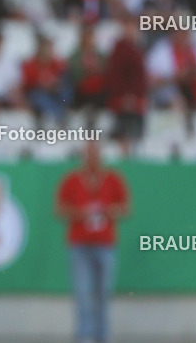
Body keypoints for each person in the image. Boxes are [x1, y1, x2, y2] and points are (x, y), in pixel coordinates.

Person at [56, 142, 130, 343]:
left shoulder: (113, 179)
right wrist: (80, 214)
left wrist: (110, 211)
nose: (92, 159)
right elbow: (60, 209)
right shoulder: (71, 180)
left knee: (103, 293)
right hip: (79, 243)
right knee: (83, 293)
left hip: (105, 243)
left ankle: (102, 335)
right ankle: (85, 335)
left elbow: (125, 207)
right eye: (88, 155)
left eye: (95, 154)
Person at [105, 18, 147, 155]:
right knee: (125, 127)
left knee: (136, 130)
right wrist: (125, 95)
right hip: (123, 98)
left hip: (136, 97)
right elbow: (117, 76)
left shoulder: (137, 49)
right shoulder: (120, 50)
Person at [22, 35, 70, 128]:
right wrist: (44, 84)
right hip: (37, 94)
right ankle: (59, 115)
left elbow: (61, 77)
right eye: (45, 48)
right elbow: (29, 84)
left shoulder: (56, 63)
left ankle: (63, 111)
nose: (47, 51)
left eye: (49, 48)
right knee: (38, 96)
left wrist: (54, 84)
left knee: (65, 90)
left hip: (54, 93)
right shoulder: (31, 63)